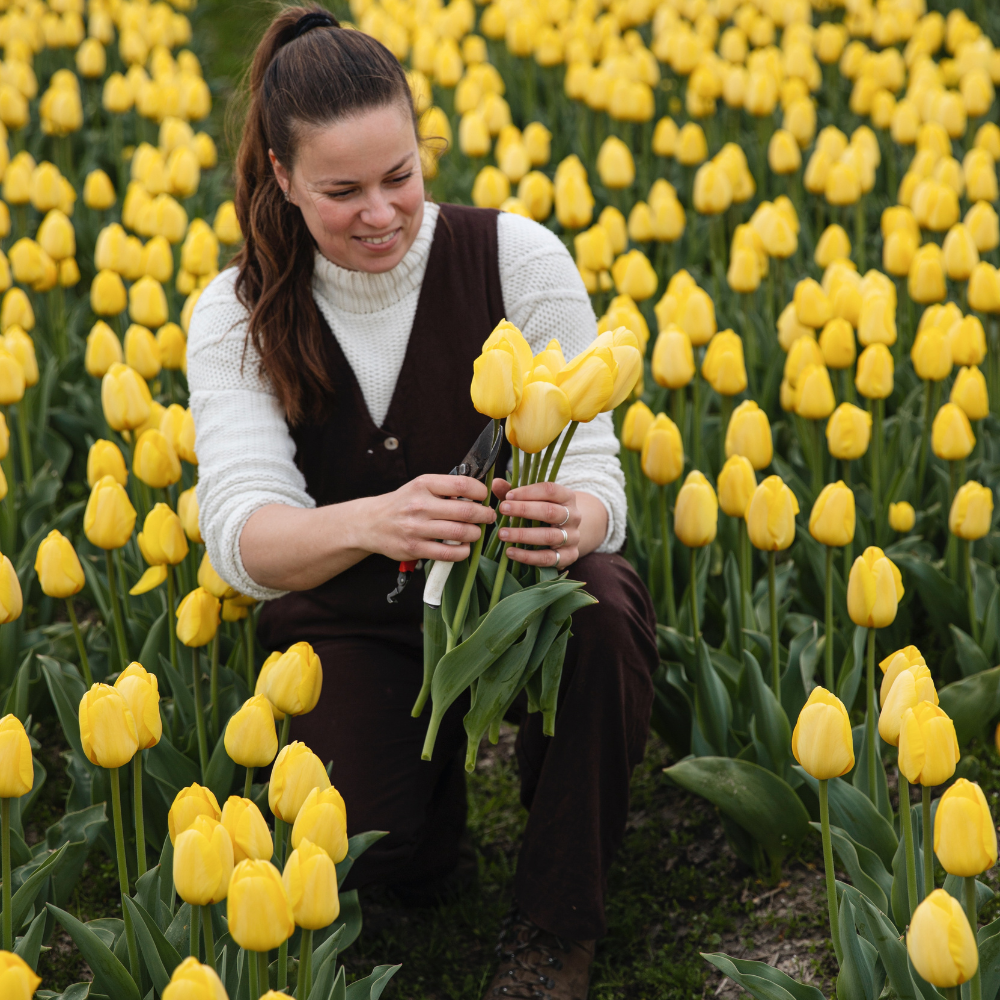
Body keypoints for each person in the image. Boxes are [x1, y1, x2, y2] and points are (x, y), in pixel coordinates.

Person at [187, 7, 657, 997]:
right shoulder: (239, 310)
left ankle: (553, 929)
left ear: (420, 145)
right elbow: (239, 539)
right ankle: (429, 822)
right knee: (383, 855)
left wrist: (582, 518)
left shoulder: (515, 258)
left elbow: (598, 470)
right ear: (280, 176)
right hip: (352, 619)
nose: (380, 213)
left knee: (602, 599)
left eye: (399, 176)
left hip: (508, 604)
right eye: (340, 190)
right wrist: (371, 520)